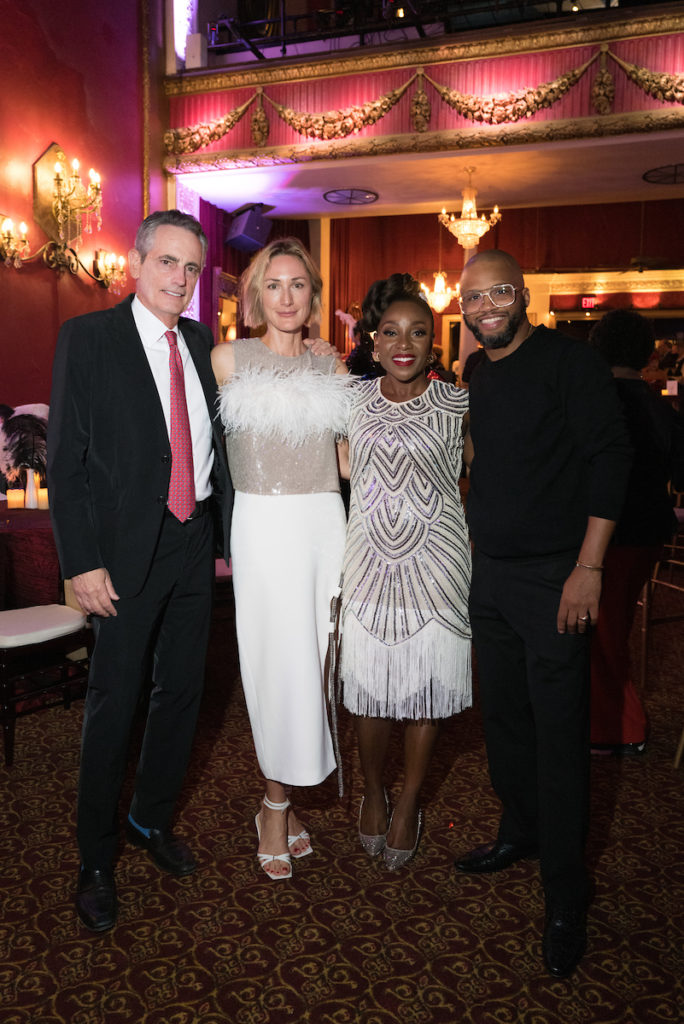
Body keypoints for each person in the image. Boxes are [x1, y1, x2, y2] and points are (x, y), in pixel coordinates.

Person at [47, 210, 233, 932]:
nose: (181, 280)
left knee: (183, 692)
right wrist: (81, 561)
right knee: (113, 702)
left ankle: (150, 821)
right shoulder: (88, 339)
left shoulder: (199, 340)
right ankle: (94, 857)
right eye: (168, 264)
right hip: (121, 557)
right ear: (135, 262)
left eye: (191, 269)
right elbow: (66, 461)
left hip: (193, 543)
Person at [453, 250, 632, 978]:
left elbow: (612, 460)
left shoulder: (571, 363)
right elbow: (484, 456)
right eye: (474, 295)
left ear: (522, 296)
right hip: (489, 575)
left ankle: (566, 892)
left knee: (559, 738)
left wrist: (588, 569)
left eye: (500, 291)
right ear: (461, 306)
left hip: (557, 578)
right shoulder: (477, 371)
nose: (487, 304)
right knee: (503, 721)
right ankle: (519, 831)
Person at [212, 237, 349, 880]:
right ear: (255, 295)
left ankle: (283, 801)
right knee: (273, 665)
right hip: (262, 525)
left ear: (313, 297)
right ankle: (273, 806)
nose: (287, 297)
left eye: (298, 285)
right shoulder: (227, 360)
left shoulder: (334, 368)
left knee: (320, 666)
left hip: (325, 523)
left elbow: (350, 463)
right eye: (274, 284)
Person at [338, 274, 471, 870]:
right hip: (367, 564)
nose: (404, 343)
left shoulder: (461, 403)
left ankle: (410, 796)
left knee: (425, 693)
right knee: (367, 692)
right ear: (371, 339)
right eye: (391, 331)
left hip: (439, 566)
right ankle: (372, 788)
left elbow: (499, 475)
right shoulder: (348, 401)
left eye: (419, 332)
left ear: (434, 341)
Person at [587, 310, 684, 754]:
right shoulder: (661, 407)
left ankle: (617, 727)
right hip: (650, 533)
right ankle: (611, 722)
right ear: (646, 353)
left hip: (606, 532)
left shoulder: (593, 401)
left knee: (600, 633)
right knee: (610, 629)